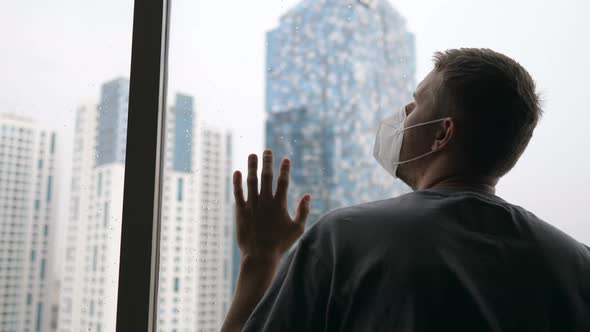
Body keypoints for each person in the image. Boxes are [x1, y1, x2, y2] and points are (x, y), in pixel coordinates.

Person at [220, 48, 590, 332]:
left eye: (415, 104)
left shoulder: (344, 239)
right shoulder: (577, 265)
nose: (402, 114)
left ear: (442, 132)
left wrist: (261, 258)